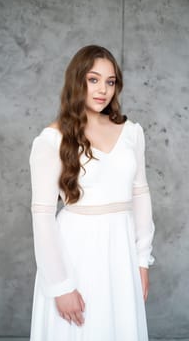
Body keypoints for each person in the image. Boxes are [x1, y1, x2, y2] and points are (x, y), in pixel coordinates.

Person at [29, 44, 155, 341]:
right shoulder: (52, 139)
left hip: (121, 254)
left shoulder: (132, 132)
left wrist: (142, 259)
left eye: (110, 82)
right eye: (93, 79)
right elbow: (43, 216)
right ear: (77, 81)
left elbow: (141, 194)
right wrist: (60, 285)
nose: (103, 90)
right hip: (76, 254)